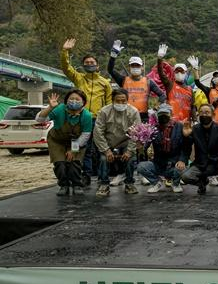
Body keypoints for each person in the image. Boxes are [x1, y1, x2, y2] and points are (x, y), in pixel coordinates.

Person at [60, 38, 112, 186]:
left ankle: (102, 175)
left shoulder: (105, 82)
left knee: (100, 148)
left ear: (97, 65)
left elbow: (109, 103)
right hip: (81, 119)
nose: (90, 64)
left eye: (92, 62)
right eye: (87, 63)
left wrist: (107, 120)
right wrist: (65, 51)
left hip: (98, 120)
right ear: (83, 65)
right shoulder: (79, 78)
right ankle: (84, 175)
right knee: (82, 148)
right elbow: (66, 68)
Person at [35, 90, 93, 196]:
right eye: (71, 99)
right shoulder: (60, 109)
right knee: (59, 163)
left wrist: (73, 150)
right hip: (57, 141)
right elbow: (39, 119)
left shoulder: (87, 115)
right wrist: (50, 107)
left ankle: (77, 184)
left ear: (83, 102)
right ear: (66, 101)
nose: (74, 101)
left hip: (77, 141)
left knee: (75, 163)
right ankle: (63, 185)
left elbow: (85, 136)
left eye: (77, 99)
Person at [181, 104, 218, 194]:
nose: (204, 115)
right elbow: (186, 148)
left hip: (217, 163)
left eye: (207, 112)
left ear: (213, 115)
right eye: (201, 112)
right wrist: (186, 136)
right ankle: (202, 183)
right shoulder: (195, 129)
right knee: (185, 176)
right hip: (201, 165)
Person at [93, 88, 141, 197]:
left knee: (130, 158)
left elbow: (136, 133)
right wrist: (106, 150)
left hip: (126, 142)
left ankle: (129, 183)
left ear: (127, 100)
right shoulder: (104, 111)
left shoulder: (133, 112)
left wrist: (129, 151)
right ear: (112, 100)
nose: (120, 103)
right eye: (117, 101)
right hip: (108, 143)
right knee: (103, 159)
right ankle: (104, 184)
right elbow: (98, 132)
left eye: (123, 100)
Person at [107, 40, 166, 122]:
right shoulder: (123, 80)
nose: (135, 67)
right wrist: (113, 56)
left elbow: (162, 95)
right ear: (129, 67)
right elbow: (110, 70)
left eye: (137, 66)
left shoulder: (148, 82)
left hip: (143, 117)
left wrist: (156, 108)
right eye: (133, 65)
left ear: (142, 68)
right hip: (126, 116)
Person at [137, 104, 186, 194]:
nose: (163, 116)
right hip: (159, 164)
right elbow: (146, 145)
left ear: (171, 114)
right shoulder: (153, 129)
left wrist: (182, 160)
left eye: (166, 114)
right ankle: (156, 183)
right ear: (157, 116)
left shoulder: (180, 127)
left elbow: (185, 146)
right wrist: (141, 145)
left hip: (174, 164)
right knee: (141, 167)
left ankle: (176, 184)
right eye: (160, 114)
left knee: (182, 167)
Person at [188, 55, 218, 125]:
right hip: (213, 123)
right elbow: (198, 83)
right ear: (212, 79)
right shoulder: (209, 91)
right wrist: (195, 69)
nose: (217, 78)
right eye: (215, 77)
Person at [156, 44, 193, 122]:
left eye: (181, 71)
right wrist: (159, 59)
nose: (179, 73)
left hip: (186, 122)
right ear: (174, 73)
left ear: (186, 72)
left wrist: (195, 120)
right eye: (177, 71)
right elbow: (161, 74)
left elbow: (193, 106)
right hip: (172, 121)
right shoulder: (170, 84)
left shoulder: (190, 89)